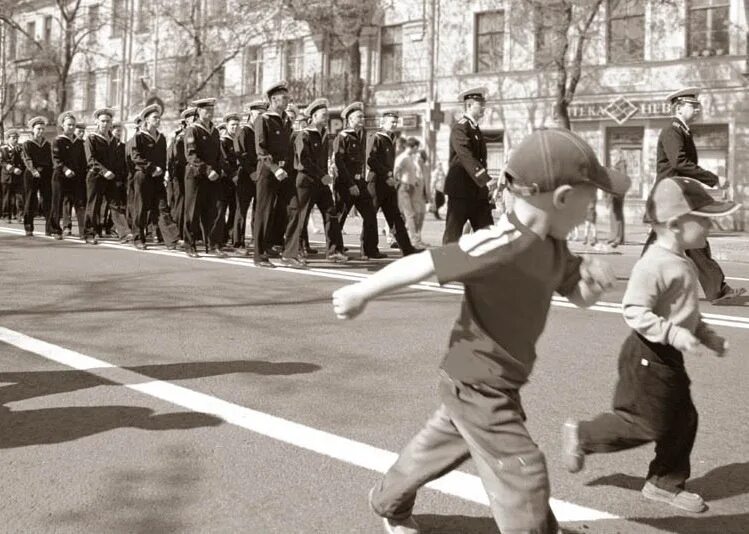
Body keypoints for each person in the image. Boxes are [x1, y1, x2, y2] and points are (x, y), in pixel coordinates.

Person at [332, 128, 630, 534]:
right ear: (561, 199)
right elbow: (423, 264)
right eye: (591, 198)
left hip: (496, 380)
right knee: (522, 470)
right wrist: (361, 291)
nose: (593, 208)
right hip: (477, 381)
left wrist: (592, 285)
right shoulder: (501, 242)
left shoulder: (554, 245)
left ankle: (387, 501)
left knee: (437, 449)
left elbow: (576, 292)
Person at [564, 176, 736, 514]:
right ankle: (583, 436)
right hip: (647, 355)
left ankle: (663, 483)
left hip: (667, 356)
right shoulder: (654, 263)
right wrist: (673, 334)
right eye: (702, 220)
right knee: (645, 424)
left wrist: (706, 335)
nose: (709, 228)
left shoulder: (682, 261)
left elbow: (683, 313)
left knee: (684, 419)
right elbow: (633, 310)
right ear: (675, 225)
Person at [645, 87, 743, 305]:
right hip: (669, 197)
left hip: (675, 196)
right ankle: (717, 290)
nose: (697, 109)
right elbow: (679, 162)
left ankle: (717, 290)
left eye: (698, 105)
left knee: (687, 243)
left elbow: (682, 167)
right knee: (686, 243)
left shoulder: (682, 130)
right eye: (693, 105)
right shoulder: (673, 130)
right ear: (679, 107)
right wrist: (713, 179)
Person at [281, 98, 348, 267]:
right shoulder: (304, 134)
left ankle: (334, 251)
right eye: (323, 115)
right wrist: (322, 175)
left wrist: (326, 175)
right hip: (306, 181)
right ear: (313, 116)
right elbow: (304, 161)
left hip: (321, 182)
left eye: (327, 115)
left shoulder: (324, 134)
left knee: (330, 213)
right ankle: (292, 253)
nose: (326, 118)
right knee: (300, 217)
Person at [442, 87, 493, 244]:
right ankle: (445, 264)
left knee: (488, 232)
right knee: (453, 233)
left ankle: (491, 264)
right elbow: (466, 156)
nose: (484, 108)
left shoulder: (475, 128)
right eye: (480, 104)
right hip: (461, 191)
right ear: (469, 105)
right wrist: (484, 178)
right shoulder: (460, 127)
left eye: (484, 104)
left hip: (477, 192)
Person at [334, 101, 383, 260]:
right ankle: (335, 250)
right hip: (345, 183)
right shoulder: (342, 137)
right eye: (358, 116)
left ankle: (369, 249)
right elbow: (340, 163)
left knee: (370, 214)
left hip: (360, 182)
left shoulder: (362, 135)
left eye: (363, 116)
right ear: (349, 119)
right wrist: (350, 185)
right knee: (340, 217)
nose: (362, 119)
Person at [253, 81, 294, 268]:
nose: (287, 101)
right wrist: (275, 168)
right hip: (269, 172)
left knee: (292, 209)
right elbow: (261, 150)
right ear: (272, 99)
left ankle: (288, 252)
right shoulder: (263, 119)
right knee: (265, 212)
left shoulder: (286, 120)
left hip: (285, 173)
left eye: (287, 98)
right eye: (283, 98)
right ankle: (259, 255)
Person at [366, 111, 418, 256]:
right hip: (376, 182)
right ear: (382, 123)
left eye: (396, 122)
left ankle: (407, 248)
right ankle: (369, 249)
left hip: (389, 183)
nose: (394, 124)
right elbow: (370, 160)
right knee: (371, 216)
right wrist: (387, 174)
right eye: (391, 122)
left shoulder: (394, 139)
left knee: (395, 216)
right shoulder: (376, 137)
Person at [129, 104, 180, 250]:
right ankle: (138, 238)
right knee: (141, 207)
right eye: (154, 118)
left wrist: (162, 171)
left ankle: (171, 240)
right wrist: (151, 168)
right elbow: (135, 157)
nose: (158, 120)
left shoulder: (161, 138)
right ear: (147, 120)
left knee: (162, 207)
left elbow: (163, 158)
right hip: (143, 175)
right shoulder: (138, 137)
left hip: (158, 177)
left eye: (159, 118)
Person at [183, 97, 227, 258]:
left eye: (212, 110)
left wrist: (219, 169)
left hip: (213, 176)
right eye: (206, 110)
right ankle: (190, 245)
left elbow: (218, 154)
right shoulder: (192, 130)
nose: (210, 112)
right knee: (192, 211)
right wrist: (207, 170)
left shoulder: (214, 131)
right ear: (199, 111)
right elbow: (191, 155)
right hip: (196, 175)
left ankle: (213, 244)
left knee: (215, 209)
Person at [82, 108, 130, 245]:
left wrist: (118, 176)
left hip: (112, 177)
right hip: (96, 176)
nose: (105, 123)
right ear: (96, 122)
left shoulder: (114, 140)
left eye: (108, 121)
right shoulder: (91, 138)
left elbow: (117, 160)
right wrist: (104, 171)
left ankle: (124, 233)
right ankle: (90, 233)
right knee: (94, 205)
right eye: (102, 121)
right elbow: (91, 160)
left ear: (111, 123)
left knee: (116, 205)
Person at [49, 111, 86, 239]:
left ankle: (84, 231)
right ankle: (56, 230)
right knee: (58, 203)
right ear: (62, 125)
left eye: (73, 125)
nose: (71, 127)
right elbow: (56, 159)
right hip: (60, 176)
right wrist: (65, 169)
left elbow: (82, 161)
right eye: (69, 125)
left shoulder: (79, 142)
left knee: (80, 203)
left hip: (76, 177)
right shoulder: (57, 141)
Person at [168, 107, 196, 243]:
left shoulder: (193, 133)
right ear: (187, 120)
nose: (194, 120)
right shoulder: (181, 136)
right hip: (180, 173)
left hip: (191, 172)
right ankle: (178, 233)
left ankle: (188, 232)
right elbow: (176, 157)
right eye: (192, 118)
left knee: (189, 204)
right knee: (180, 203)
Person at [21, 117, 53, 237]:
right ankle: (28, 227)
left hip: (45, 174)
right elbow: (27, 158)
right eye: (38, 128)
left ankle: (49, 228)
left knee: (47, 200)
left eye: (42, 129)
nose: (40, 131)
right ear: (33, 129)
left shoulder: (47, 144)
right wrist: (33, 170)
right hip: (31, 174)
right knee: (30, 199)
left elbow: (50, 160)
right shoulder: (27, 144)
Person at [394, 137, 426, 248]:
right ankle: (414, 240)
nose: (417, 151)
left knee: (405, 215)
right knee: (410, 215)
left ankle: (399, 238)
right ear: (414, 147)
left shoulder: (409, 158)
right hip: (404, 188)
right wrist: (397, 182)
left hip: (410, 188)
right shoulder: (403, 158)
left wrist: (415, 181)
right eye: (417, 148)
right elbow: (396, 170)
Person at [220, 113, 241, 248]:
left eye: (237, 124)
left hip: (237, 179)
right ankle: (219, 237)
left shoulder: (238, 139)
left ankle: (230, 234)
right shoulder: (223, 141)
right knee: (222, 208)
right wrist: (232, 174)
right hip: (226, 179)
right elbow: (223, 161)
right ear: (227, 126)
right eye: (232, 125)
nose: (235, 127)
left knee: (234, 208)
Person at [1, 129, 25, 224]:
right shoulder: (2, 149)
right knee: (6, 197)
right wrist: (10, 167)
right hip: (7, 177)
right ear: (8, 139)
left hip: (18, 176)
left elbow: (24, 161)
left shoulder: (20, 149)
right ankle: (7, 216)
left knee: (20, 197)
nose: (16, 139)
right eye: (13, 138)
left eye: (17, 138)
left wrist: (20, 169)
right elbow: (2, 161)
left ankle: (21, 215)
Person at [607, 149, 626, 247]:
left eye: (613, 154)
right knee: (613, 214)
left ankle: (618, 237)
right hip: (613, 190)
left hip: (618, 191)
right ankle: (613, 236)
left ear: (618, 155)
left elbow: (622, 177)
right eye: (611, 154)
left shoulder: (621, 164)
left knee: (617, 214)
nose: (612, 156)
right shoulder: (615, 164)